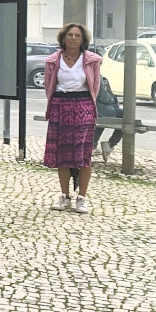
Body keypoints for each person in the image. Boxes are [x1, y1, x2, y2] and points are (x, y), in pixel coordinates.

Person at [43, 23, 101, 214]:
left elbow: (95, 86)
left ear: (83, 39)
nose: (73, 38)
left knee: (83, 155)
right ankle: (64, 196)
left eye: (77, 36)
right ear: (63, 38)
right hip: (60, 105)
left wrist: (88, 107)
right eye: (70, 35)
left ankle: (82, 198)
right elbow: (49, 85)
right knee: (62, 154)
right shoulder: (53, 61)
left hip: (83, 105)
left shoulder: (91, 60)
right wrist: (54, 105)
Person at [93, 76, 123, 164]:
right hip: (102, 108)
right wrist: (113, 100)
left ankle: (93, 145)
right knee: (127, 117)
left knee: (103, 119)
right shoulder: (97, 76)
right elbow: (104, 97)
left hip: (98, 109)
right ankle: (111, 144)